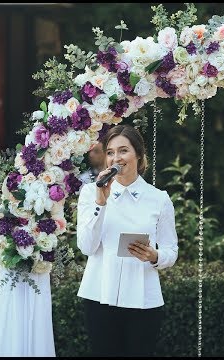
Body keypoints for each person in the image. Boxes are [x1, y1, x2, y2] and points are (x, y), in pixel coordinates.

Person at [76, 124, 179, 357]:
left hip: (143, 297)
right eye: (110, 152)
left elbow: (171, 250)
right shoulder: (90, 192)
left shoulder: (159, 199)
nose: (115, 158)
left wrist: (155, 256)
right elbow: (86, 246)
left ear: (138, 155)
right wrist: (100, 203)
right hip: (99, 295)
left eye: (123, 151)